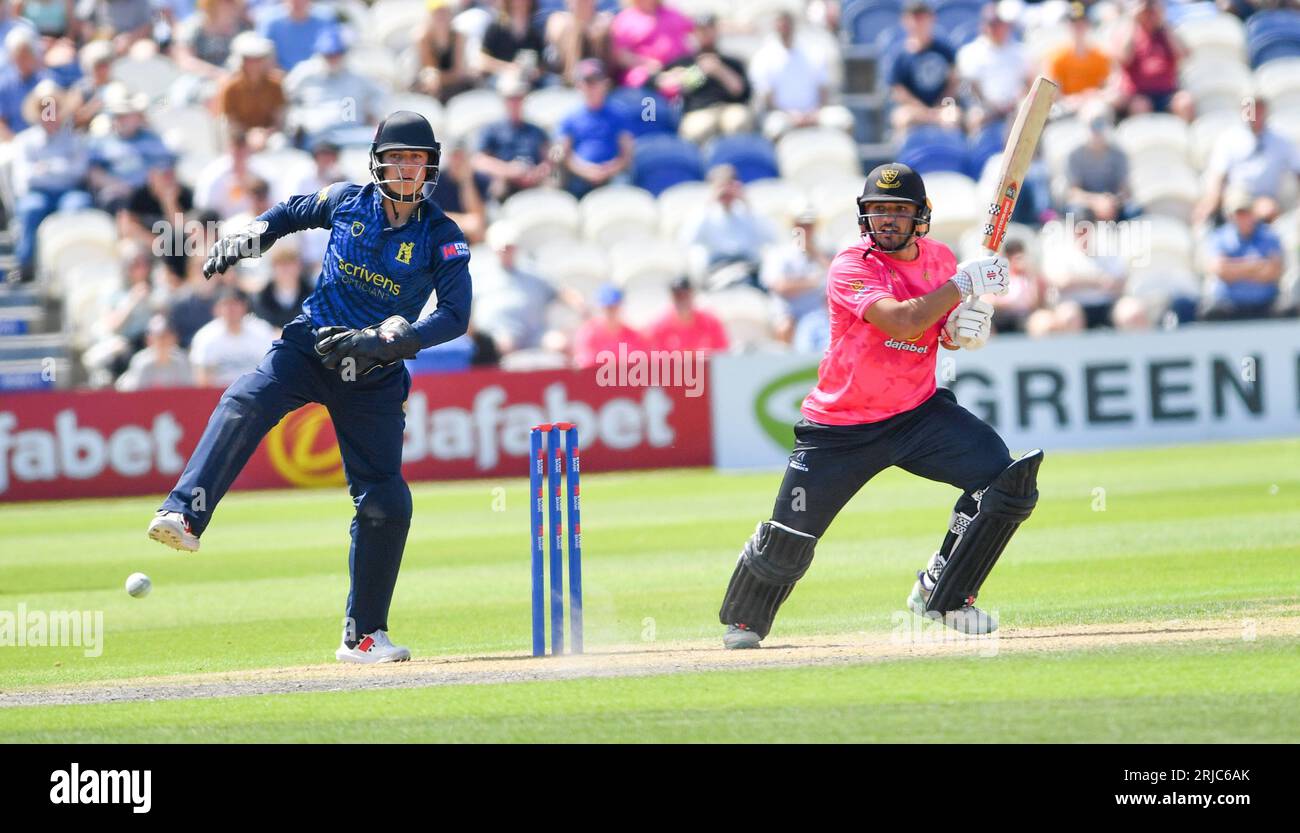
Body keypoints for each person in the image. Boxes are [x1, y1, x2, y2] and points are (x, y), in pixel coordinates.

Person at [146, 111, 472, 665]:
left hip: (373, 372)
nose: (406, 170)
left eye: (416, 160)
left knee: (386, 500)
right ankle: (184, 513)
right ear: (377, 163)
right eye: (397, 159)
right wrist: (249, 236)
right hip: (311, 345)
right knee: (245, 399)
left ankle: (363, 636)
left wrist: (391, 342)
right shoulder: (346, 200)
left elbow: (457, 315)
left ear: (431, 167)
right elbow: (292, 212)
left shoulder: (441, 235)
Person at [716, 162, 1042, 649]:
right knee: (792, 533)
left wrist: (960, 330)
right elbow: (903, 322)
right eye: (877, 211)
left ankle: (943, 592)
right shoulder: (852, 265)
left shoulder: (939, 259)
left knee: (1004, 481)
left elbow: (936, 329)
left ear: (920, 216)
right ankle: (744, 618)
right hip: (840, 428)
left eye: (898, 211)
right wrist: (963, 286)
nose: (887, 220)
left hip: (916, 413)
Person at [1195, 96, 1300, 226]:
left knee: (1268, 210)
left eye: (1258, 109)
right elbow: (1218, 174)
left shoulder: (1281, 140)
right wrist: (1211, 200)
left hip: (1267, 198)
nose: (1255, 114)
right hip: (1237, 194)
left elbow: (1297, 169)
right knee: (1241, 210)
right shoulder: (1229, 139)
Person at [750, 9, 852, 139]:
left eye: (786, 24)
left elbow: (823, 89)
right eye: (780, 25)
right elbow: (768, 98)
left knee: (843, 120)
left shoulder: (813, 52)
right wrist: (791, 115)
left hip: (815, 112)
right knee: (775, 128)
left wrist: (814, 113)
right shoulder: (764, 57)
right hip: (782, 114)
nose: (784, 29)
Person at [657, 12, 751, 144]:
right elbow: (664, 83)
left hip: (729, 108)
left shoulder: (732, 62)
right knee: (698, 129)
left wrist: (719, 70)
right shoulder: (684, 62)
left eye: (709, 29)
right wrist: (696, 72)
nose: (706, 34)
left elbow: (742, 92)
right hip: (699, 111)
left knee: (738, 121)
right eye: (701, 30)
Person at [681, 164, 773, 290]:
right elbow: (687, 240)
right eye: (721, 186)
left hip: (750, 267)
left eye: (729, 185)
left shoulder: (748, 212)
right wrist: (711, 202)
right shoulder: (704, 214)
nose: (726, 192)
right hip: (719, 268)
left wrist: (746, 203)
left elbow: (772, 237)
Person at [1201, 187, 1284, 321]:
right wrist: (1255, 266)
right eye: (1239, 213)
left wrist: (1235, 268)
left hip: (1265, 305)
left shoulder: (1269, 236)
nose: (1243, 217)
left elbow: (1273, 271)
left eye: (1247, 212)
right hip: (1228, 307)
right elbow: (1220, 270)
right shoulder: (1219, 237)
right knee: (1209, 312)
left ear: (1254, 213)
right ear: (1230, 215)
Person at [557, 58, 633, 198]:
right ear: (579, 85)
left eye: (595, 81)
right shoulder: (570, 118)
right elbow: (563, 154)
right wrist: (585, 170)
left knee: (622, 189)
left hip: (612, 176)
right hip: (579, 176)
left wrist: (609, 169)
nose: (591, 87)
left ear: (605, 84)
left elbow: (627, 154)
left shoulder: (619, 114)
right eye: (587, 82)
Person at [471, 71, 552, 201]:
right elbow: (478, 161)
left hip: (534, 183)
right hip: (504, 184)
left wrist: (537, 172)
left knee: (551, 187)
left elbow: (549, 159)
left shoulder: (536, 131)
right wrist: (508, 170)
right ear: (504, 100)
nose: (515, 102)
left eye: (518, 97)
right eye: (511, 98)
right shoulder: (492, 129)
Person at [885, 1, 960, 136]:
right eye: (913, 18)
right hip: (913, 109)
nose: (918, 23)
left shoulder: (944, 49)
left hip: (942, 106)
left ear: (931, 19)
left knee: (952, 117)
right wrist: (924, 110)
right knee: (902, 119)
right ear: (905, 21)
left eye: (921, 18)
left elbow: (953, 82)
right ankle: (905, 156)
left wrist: (940, 105)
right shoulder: (899, 54)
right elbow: (898, 91)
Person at [189, 286, 277, 386]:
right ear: (216, 309)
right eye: (225, 304)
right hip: (220, 396)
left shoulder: (262, 331)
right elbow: (202, 377)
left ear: (245, 307)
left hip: (256, 392)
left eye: (235, 304)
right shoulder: (206, 336)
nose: (230, 309)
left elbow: (273, 369)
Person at [1045, 1, 1111, 115]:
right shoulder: (1057, 57)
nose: (1078, 27)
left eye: (1081, 23)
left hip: (1093, 106)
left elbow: (1107, 88)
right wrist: (1073, 100)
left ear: (1087, 25)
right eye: (1074, 24)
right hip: (1067, 107)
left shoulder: (1100, 56)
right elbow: (1054, 94)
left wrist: (1091, 97)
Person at [644, 276, 729, 353]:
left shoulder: (711, 322)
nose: (682, 299)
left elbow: (723, 355)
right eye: (678, 295)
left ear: (693, 294)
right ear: (672, 297)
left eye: (686, 294)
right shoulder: (658, 327)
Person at [572, 283, 645, 369]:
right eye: (607, 308)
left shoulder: (633, 335)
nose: (610, 312)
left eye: (614, 307)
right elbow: (587, 366)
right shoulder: (588, 333)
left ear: (621, 306)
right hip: (595, 380)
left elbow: (640, 368)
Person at [116, 314, 195, 391]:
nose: (162, 341)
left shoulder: (182, 360)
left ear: (174, 338)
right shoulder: (141, 361)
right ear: (149, 339)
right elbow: (133, 394)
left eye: (166, 336)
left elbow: (190, 392)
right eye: (158, 336)